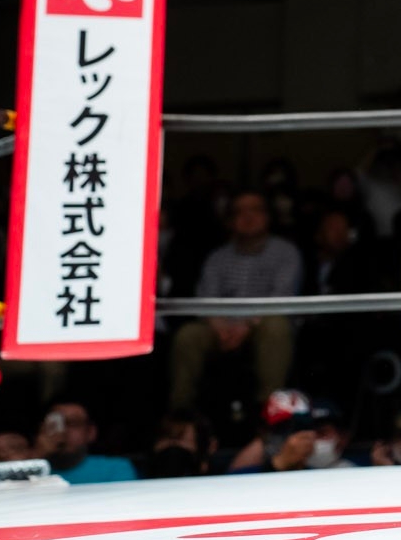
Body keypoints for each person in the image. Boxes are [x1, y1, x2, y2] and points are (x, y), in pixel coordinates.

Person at [168, 189, 303, 411]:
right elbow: (206, 298)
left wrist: (247, 325)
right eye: (240, 212)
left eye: (255, 210)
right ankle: (181, 414)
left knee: (276, 326)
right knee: (188, 335)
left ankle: (270, 413)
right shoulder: (218, 257)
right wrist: (220, 327)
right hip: (222, 328)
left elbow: (282, 297)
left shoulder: (286, 252)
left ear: (267, 216)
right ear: (230, 221)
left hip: (262, 325)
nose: (248, 216)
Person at [34, 399, 137, 484]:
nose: (62, 431)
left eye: (73, 423)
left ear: (91, 432)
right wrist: (38, 454)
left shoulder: (115, 469)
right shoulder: (31, 466)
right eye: (55, 424)